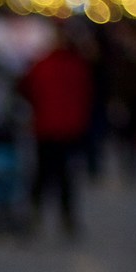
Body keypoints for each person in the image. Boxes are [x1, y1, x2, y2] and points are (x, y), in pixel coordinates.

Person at [21, 26, 96, 237]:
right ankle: (66, 218)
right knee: (64, 175)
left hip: (48, 128)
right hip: (67, 128)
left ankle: (37, 214)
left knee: (44, 173)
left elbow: (27, 89)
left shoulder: (43, 64)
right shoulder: (77, 66)